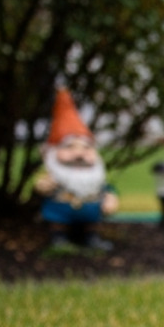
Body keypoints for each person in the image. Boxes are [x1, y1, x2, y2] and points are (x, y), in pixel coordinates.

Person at [34, 89, 120, 251]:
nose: (79, 154)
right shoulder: (55, 173)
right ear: (53, 151)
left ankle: (91, 237)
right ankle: (58, 238)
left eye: (86, 148)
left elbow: (107, 188)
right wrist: (43, 185)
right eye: (70, 147)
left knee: (91, 224)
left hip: (90, 209)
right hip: (60, 209)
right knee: (58, 223)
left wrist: (110, 197)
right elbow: (40, 187)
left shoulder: (95, 176)